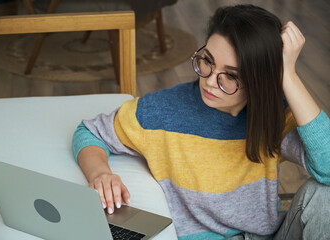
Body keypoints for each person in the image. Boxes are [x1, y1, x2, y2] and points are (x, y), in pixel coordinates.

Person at [72, 4, 330, 239]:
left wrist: (289, 75)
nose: (209, 80)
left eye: (230, 76)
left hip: (269, 235)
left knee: (324, 196)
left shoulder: (272, 115)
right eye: (207, 61)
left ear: (259, 81)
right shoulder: (162, 112)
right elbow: (90, 132)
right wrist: (100, 173)